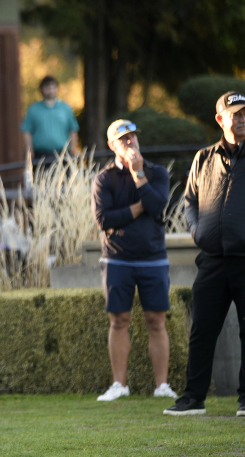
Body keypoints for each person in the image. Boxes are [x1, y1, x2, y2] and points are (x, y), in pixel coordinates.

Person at [165, 91, 245, 417]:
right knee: (202, 329)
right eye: (236, 114)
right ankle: (194, 398)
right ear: (220, 119)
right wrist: (195, 230)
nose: (244, 118)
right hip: (212, 261)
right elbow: (189, 201)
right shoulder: (203, 158)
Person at [91, 119, 178, 402]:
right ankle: (119, 385)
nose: (130, 142)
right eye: (123, 139)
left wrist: (139, 176)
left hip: (153, 257)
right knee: (119, 321)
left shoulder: (156, 173)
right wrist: (140, 206)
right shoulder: (104, 178)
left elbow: (158, 205)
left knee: (156, 321)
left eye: (132, 137)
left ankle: (162, 386)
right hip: (117, 259)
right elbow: (104, 220)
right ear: (112, 145)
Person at [21, 76, 79, 159]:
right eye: (48, 88)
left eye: (53, 87)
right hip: (40, 155)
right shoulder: (33, 109)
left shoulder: (66, 108)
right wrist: (30, 153)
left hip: (63, 154)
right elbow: (27, 132)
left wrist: (72, 151)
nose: (51, 90)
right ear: (42, 90)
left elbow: (73, 130)